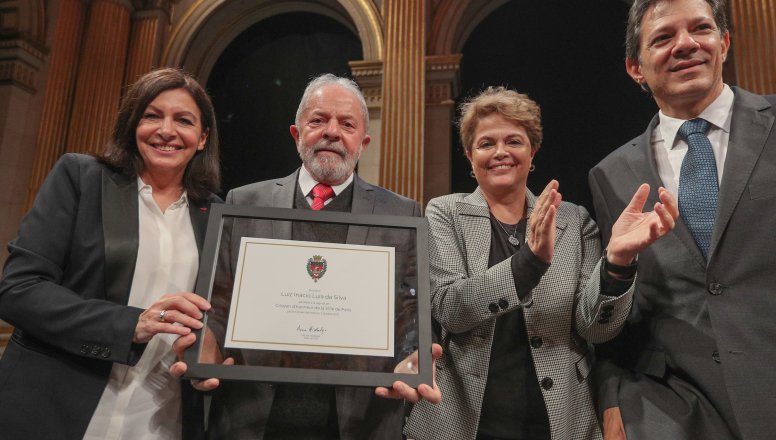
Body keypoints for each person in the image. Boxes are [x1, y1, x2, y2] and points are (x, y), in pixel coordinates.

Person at [171, 73, 440, 439]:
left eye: (347, 124)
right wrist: (206, 352)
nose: (332, 132)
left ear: (364, 142)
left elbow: (409, 310)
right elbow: (219, 301)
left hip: (358, 421)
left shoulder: (401, 213)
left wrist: (413, 357)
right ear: (297, 134)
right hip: (251, 417)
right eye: (318, 120)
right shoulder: (244, 203)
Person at [404, 87, 678, 440]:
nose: (500, 152)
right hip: (460, 420)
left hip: (559, 420)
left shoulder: (574, 221)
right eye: (486, 144)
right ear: (470, 156)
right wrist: (529, 262)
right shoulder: (445, 213)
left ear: (532, 152)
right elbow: (450, 309)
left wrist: (618, 261)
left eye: (514, 141)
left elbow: (595, 329)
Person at [588, 0, 776, 439]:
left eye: (701, 29)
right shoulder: (610, 175)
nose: (685, 44)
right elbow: (619, 323)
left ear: (724, 43)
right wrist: (612, 397)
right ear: (635, 68)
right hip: (680, 415)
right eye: (663, 37)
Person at [0, 68, 221, 439]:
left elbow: (221, 315)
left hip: (160, 422)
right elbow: (18, 290)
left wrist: (211, 358)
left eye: (184, 120)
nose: (166, 130)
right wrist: (130, 325)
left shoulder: (215, 213)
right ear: (133, 125)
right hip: (55, 410)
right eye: (152, 116)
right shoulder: (81, 178)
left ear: (202, 138)